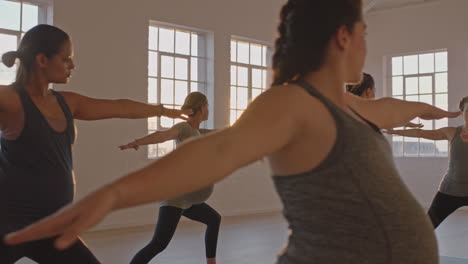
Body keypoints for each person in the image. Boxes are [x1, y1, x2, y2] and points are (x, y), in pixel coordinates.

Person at [4, 1, 461, 263]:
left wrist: (443, 111)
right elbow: (216, 150)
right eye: (363, 31)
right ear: (343, 37)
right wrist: (111, 196)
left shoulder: (350, 105)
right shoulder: (290, 102)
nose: (367, 42)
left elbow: (394, 108)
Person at [0, 24, 190, 264]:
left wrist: (162, 110)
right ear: (42, 60)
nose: (73, 65)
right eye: (66, 58)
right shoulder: (10, 100)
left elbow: (120, 107)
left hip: (52, 227)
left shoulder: (68, 102)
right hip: (8, 226)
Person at [120, 92, 220, 264]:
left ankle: (211, 262)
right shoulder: (184, 128)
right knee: (158, 244)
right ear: (202, 108)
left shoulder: (199, 132)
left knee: (214, 219)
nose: (209, 109)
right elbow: (163, 135)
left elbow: (225, 132)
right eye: (208, 106)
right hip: (175, 196)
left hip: (188, 198)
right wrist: (138, 142)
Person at [387, 96, 468, 229]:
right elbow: (420, 133)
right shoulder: (452, 132)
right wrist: (395, 131)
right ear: (462, 112)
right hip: (450, 190)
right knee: (428, 226)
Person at [347, 72, 423, 128]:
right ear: (369, 91)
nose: (374, 94)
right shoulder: (369, 112)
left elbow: (390, 116)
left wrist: (411, 124)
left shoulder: (342, 111)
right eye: (374, 91)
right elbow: (393, 115)